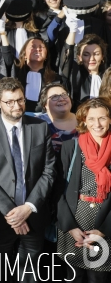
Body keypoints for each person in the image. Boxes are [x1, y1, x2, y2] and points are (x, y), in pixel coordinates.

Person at [0, 77, 56, 283]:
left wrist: (28, 207)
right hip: (1, 219)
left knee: (31, 276)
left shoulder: (40, 127)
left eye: (20, 100)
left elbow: (49, 171)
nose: (17, 105)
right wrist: (12, 214)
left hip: (34, 216)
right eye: (10, 101)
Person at [56, 98, 111, 282]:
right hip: (74, 224)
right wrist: (70, 226)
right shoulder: (71, 147)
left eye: (102, 118)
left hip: (105, 225)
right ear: (84, 120)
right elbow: (59, 189)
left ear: (110, 120)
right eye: (92, 118)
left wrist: (103, 230)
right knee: (74, 278)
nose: (97, 124)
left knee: (99, 278)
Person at [37, 83, 78, 153]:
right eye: (54, 97)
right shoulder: (37, 124)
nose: (61, 99)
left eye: (64, 94)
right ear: (45, 104)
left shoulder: (84, 121)